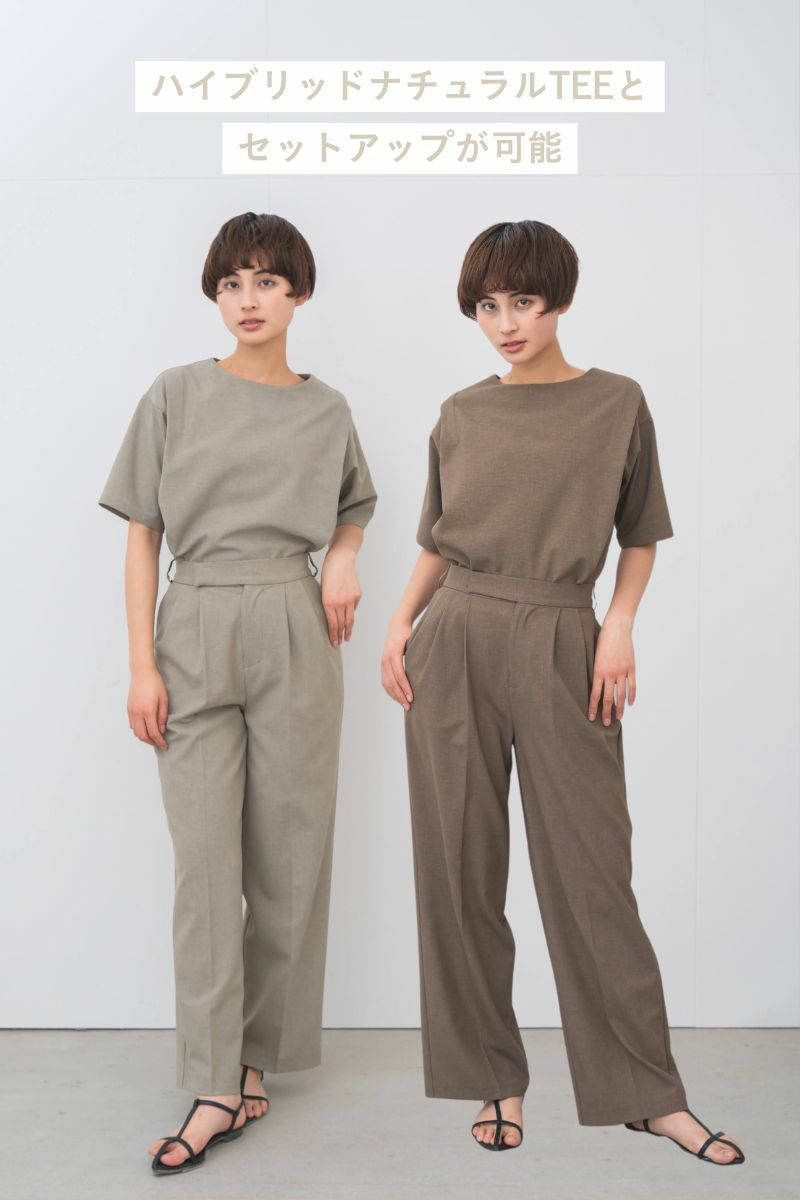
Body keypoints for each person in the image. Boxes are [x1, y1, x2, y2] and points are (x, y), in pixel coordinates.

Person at [381, 219, 745, 1166]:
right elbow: (436, 538)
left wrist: (617, 625)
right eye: (487, 306)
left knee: (592, 876)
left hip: (563, 636)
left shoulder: (616, 403)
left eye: (524, 302)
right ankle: (492, 1079)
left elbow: (641, 534)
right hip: (454, 634)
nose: (505, 323)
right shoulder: (461, 412)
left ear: (561, 302)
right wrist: (397, 625)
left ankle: (647, 1093)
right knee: (457, 869)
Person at [98, 211, 378, 1176]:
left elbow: (356, 503)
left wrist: (343, 557)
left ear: (299, 293)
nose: (247, 300)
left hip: (296, 619)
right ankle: (215, 1082)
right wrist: (141, 663)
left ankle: (259, 1060)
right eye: (231, 283)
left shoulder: (327, 409)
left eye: (266, 281)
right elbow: (142, 533)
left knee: (291, 858)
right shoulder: (175, 394)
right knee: (206, 867)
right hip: (194, 620)